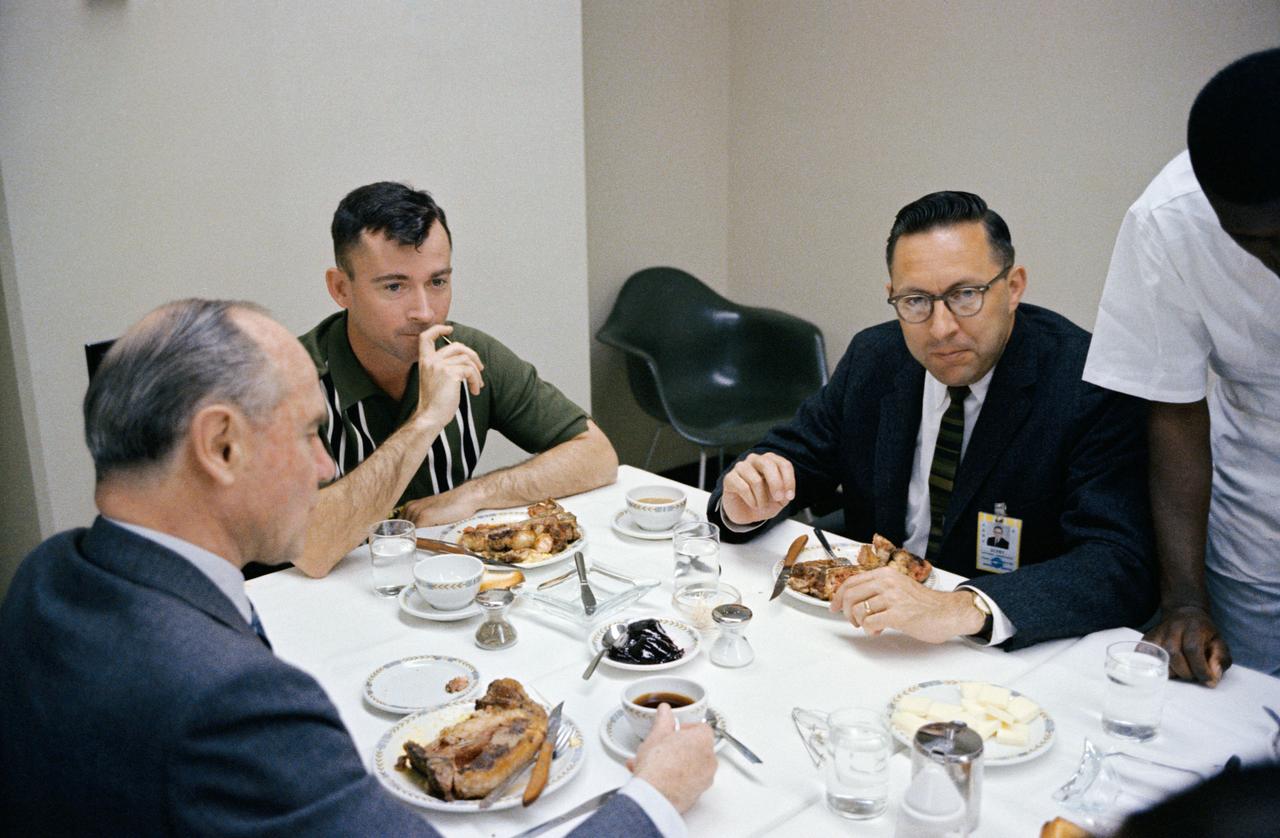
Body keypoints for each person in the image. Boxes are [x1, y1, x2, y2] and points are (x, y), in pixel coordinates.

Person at [0, 299, 715, 836]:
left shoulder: (46, 576)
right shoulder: (231, 703)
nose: (325, 464)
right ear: (220, 446)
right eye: (311, 433)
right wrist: (653, 798)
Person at [708, 191, 1156, 650]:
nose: (941, 328)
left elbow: (1118, 562)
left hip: (1003, 650)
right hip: (869, 633)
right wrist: (742, 508)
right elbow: (790, 459)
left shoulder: (1084, 382)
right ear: (892, 297)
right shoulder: (875, 358)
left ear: (1014, 286)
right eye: (916, 301)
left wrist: (966, 606)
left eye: (966, 295)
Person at [295, 182, 618, 577]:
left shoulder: (465, 352)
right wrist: (426, 421)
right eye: (395, 286)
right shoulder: (290, 381)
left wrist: (476, 494)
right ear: (341, 288)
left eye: (437, 282)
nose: (425, 312)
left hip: (443, 583)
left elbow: (597, 455)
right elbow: (311, 550)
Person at [1083, 48, 1280, 683]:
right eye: (1259, 245)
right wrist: (1186, 600)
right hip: (1257, 527)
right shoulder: (1169, 221)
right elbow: (1174, 409)